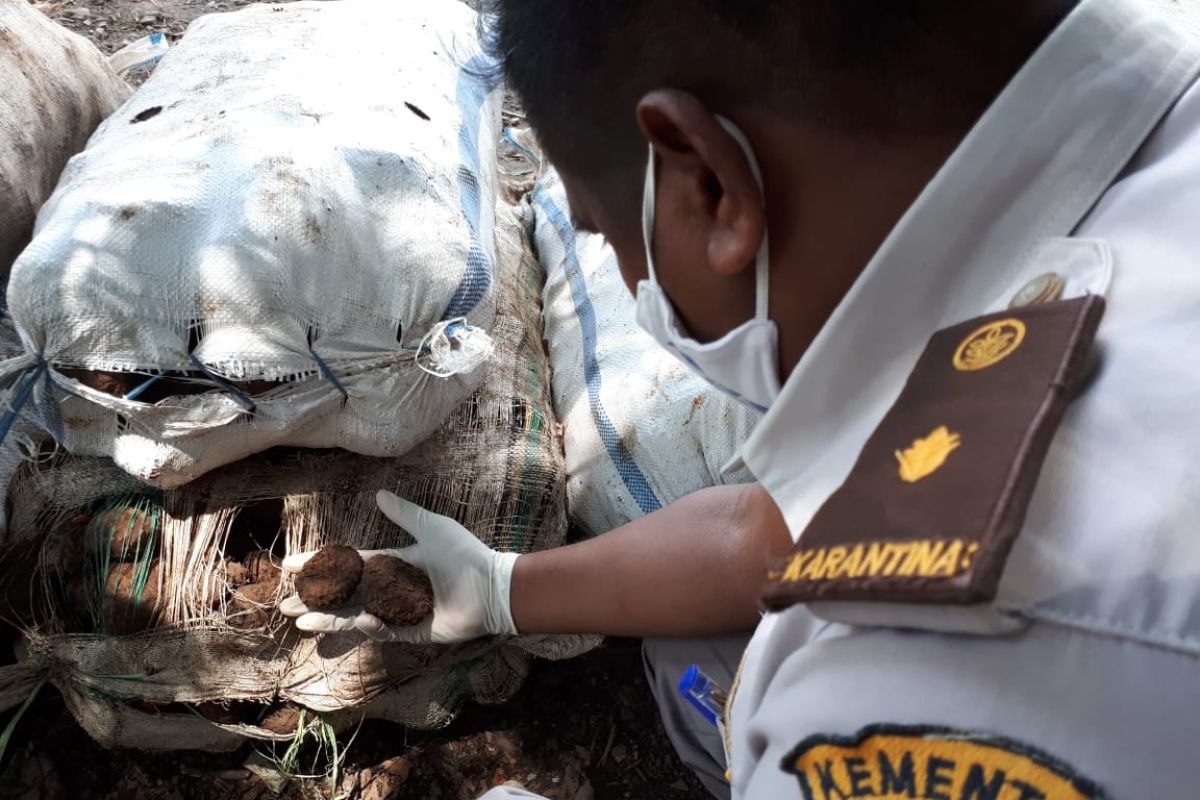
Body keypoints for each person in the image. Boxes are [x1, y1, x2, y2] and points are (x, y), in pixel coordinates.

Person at [282, 0, 1200, 797]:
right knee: (691, 654)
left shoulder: (915, 676)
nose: (635, 288)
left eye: (606, 233)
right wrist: (502, 588)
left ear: (709, 185)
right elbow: (774, 534)